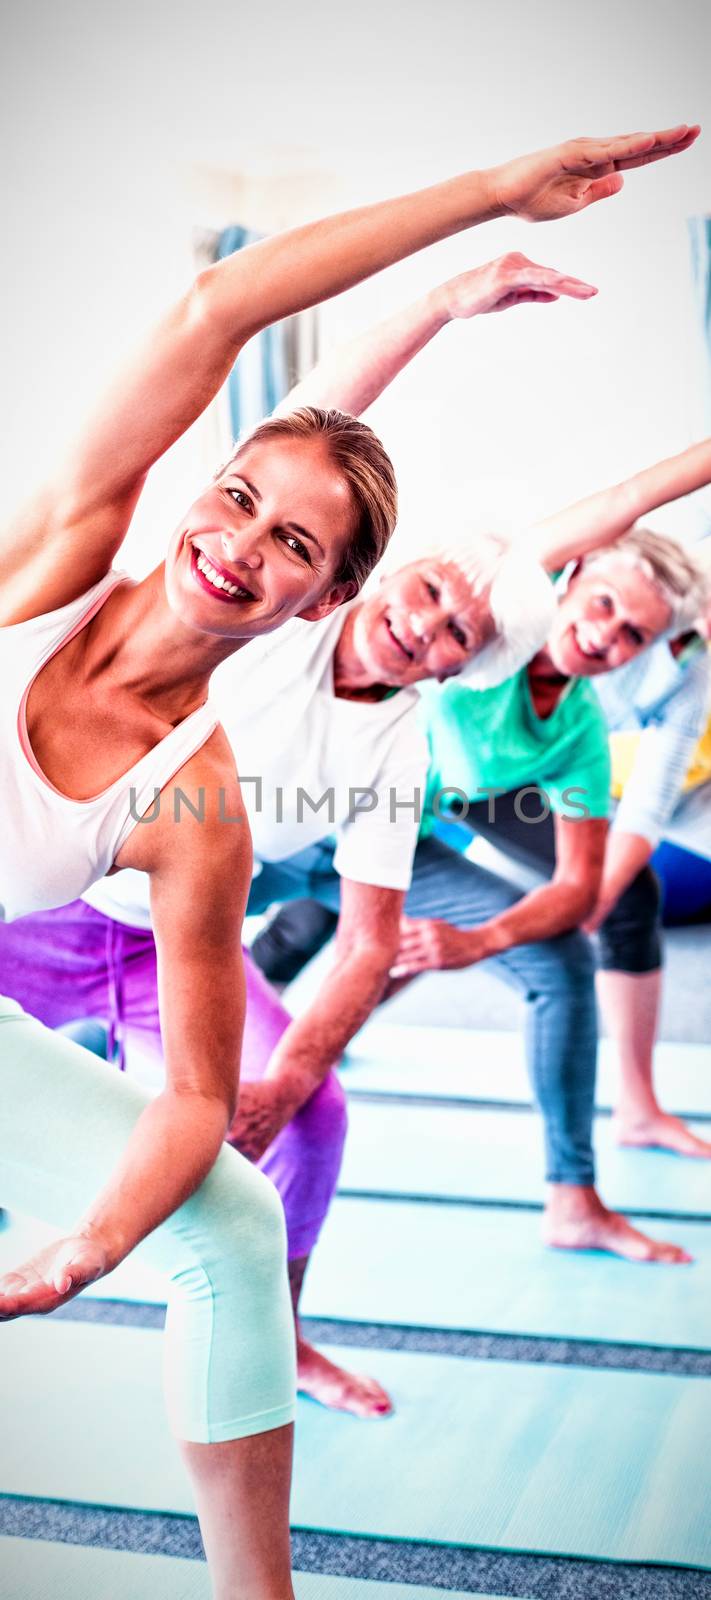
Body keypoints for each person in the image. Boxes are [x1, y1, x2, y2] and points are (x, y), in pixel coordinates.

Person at [6, 127, 697, 1595]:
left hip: (152, 920)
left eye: (297, 549)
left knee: (251, 1197)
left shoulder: (219, 793)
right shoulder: (66, 557)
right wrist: (479, 230)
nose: (246, 546)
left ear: (324, 594)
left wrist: (97, 1240)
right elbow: (234, 333)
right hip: (60, 929)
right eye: (241, 503)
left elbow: (252, 1039)